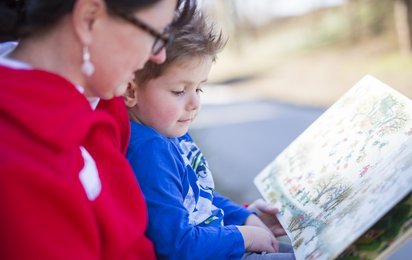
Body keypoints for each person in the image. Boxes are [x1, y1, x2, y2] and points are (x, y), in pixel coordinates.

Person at [0, 0, 194, 259]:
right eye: (155, 34)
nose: (159, 56)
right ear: (89, 18)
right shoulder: (19, 159)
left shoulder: (105, 102)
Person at [124, 11, 296, 259]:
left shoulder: (172, 135)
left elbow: (201, 199)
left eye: (199, 87)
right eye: (179, 90)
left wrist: (246, 216)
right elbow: (177, 245)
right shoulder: (149, 152)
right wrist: (243, 236)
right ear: (131, 91)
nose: (195, 103)